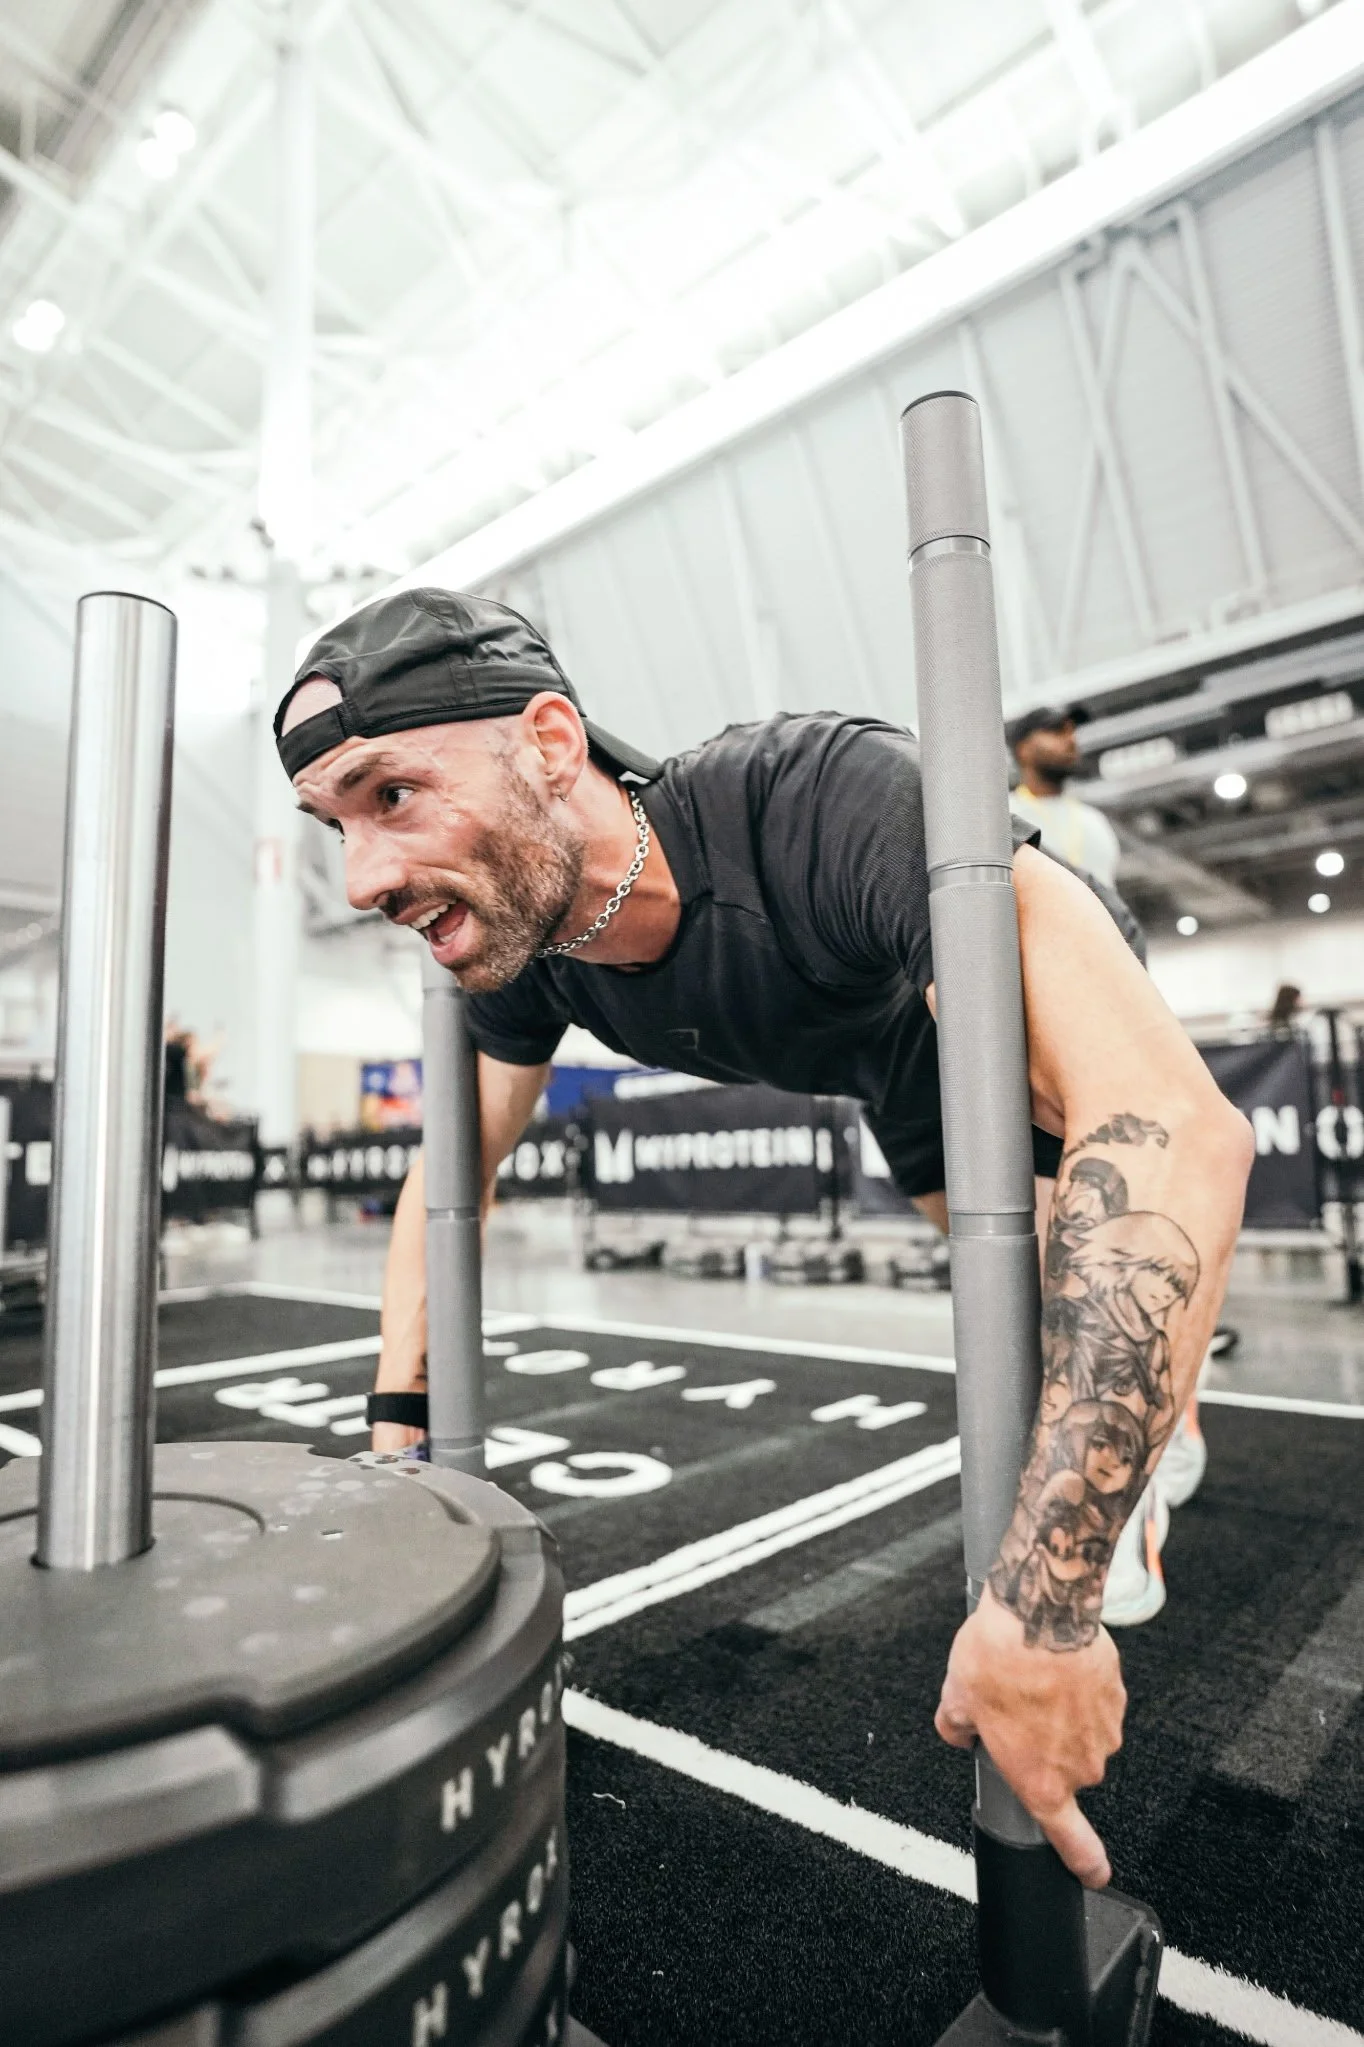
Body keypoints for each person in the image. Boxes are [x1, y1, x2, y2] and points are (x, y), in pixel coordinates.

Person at [277, 588, 1253, 1893]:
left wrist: (1042, 1605)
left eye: (390, 793)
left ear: (552, 744)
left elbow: (1181, 1126)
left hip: (966, 998)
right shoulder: (524, 946)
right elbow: (446, 1177)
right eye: (333, 823)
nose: (362, 877)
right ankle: (1146, 1417)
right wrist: (399, 1422)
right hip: (880, 1069)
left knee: (1080, 1313)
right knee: (1019, 1313)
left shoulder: (814, 796)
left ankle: (1159, 1422)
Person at [1008, 705, 1120, 890]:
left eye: (1072, 731)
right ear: (1023, 749)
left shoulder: (1094, 820)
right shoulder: (1005, 818)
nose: (1071, 740)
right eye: (1056, 731)